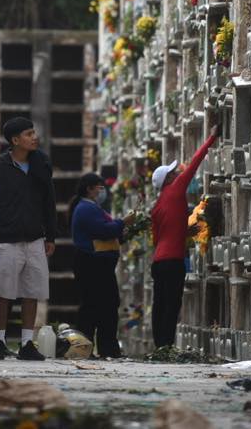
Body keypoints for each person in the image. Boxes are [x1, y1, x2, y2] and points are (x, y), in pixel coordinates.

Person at [0, 117, 57, 361]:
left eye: (34, 132)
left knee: (32, 291)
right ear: (15, 140)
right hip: (6, 238)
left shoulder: (42, 163)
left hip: (35, 238)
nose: (34, 137)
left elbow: (49, 201)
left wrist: (51, 235)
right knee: (3, 292)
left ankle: (27, 343)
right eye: (28, 134)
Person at [149, 126, 218, 348]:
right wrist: (211, 138)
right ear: (168, 179)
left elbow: (158, 237)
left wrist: (186, 231)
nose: (177, 172)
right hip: (173, 261)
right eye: (172, 172)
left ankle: (159, 344)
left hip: (159, 261)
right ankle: (166, 345)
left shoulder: (157, 205)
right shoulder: (176, 189)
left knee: (159, 304)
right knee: (172, 304)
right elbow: (194, 163)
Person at [69, 172, 135, 358]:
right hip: (92, 264)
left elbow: (107, 232)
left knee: (105, 305)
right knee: (95, 306)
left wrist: (123, 231)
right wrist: (123, 222)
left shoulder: (93, 208)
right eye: (100, 187)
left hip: (98, 264)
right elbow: (102, 230)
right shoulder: (85, 208)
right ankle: (90, 348)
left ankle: (106, 348)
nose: (102, 191)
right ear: (89, 189)